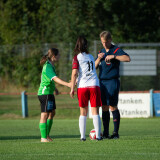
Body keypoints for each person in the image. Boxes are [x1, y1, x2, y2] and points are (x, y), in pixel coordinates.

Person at [95, 31, 131, 139]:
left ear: (110, 40)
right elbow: (94, 67)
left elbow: (127, 58)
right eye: (102, 42)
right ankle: (105, 133)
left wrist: (114, 56)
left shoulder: (116, 50)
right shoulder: (101, 51)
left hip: (112, 81)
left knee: (112, 106)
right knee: (104, 107)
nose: (104, 44)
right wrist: (98, 59)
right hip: (102, 82)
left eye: (106, 42)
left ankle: (115, 133)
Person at [70, 36, 102, 141]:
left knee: (83, 112)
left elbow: (75, 73)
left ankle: (82, 137)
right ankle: (98, 136)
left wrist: (72, 88)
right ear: (86, 45)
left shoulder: (77, 57)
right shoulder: (91, 56)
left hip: (83, 86)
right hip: (94, 85)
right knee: (95, 112)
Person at [38, 48, 71, 142]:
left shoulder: (51, 65)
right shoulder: (47, 66)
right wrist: (68, 84)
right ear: (53, 56)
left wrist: (55, 89)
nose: (60, 56)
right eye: (58, 55)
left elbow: (49, 80)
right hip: (45, 93)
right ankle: (43, 138)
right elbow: (55, 79)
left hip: (49, 93)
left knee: (52, 113)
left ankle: (47, 135)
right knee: (44, 115)